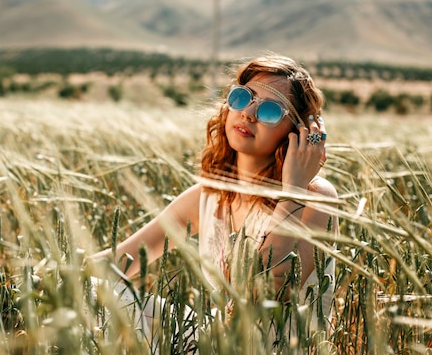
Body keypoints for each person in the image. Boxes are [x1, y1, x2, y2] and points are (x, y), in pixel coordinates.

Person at [87, 52, 338, 352]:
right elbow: (119, 261)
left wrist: (293, 191)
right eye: (243, 97)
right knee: (89, 289)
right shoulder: (210, 196)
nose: (248, 114)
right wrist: (45, 276)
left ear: (297, 133)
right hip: (216, 341)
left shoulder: (314, 198)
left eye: (270, 111)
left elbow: (257, 297)